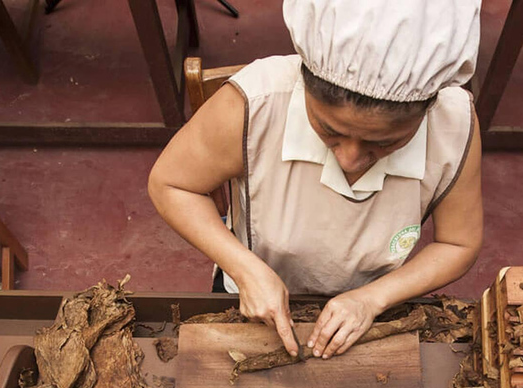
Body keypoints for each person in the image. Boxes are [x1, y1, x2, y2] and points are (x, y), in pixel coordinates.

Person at [148, 0, 483, 360]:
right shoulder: (256, 105)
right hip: (253, 283)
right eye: (329, 131)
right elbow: (171, 184)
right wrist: (245, 269)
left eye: (384, 143)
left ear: (427, 110)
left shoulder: (453, 126)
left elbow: (457, 244)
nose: (349, 159)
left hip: (379, 299)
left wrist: (372, 299)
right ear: (304, 86)